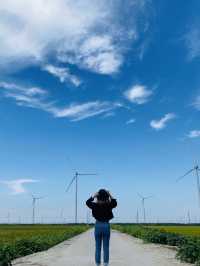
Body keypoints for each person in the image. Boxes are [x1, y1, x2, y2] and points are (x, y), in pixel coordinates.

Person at [86, 189, 117, 266]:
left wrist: (93, 196)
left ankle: (98, 264)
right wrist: (110, 194)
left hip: (98, 225)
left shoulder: (94, 205)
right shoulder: (109, 205)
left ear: (98, 197)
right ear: (107, 197)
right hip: (106, 225)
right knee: (106, 247)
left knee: (97, 247)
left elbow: (87, 202)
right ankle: (106, 264)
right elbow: (115, 203)